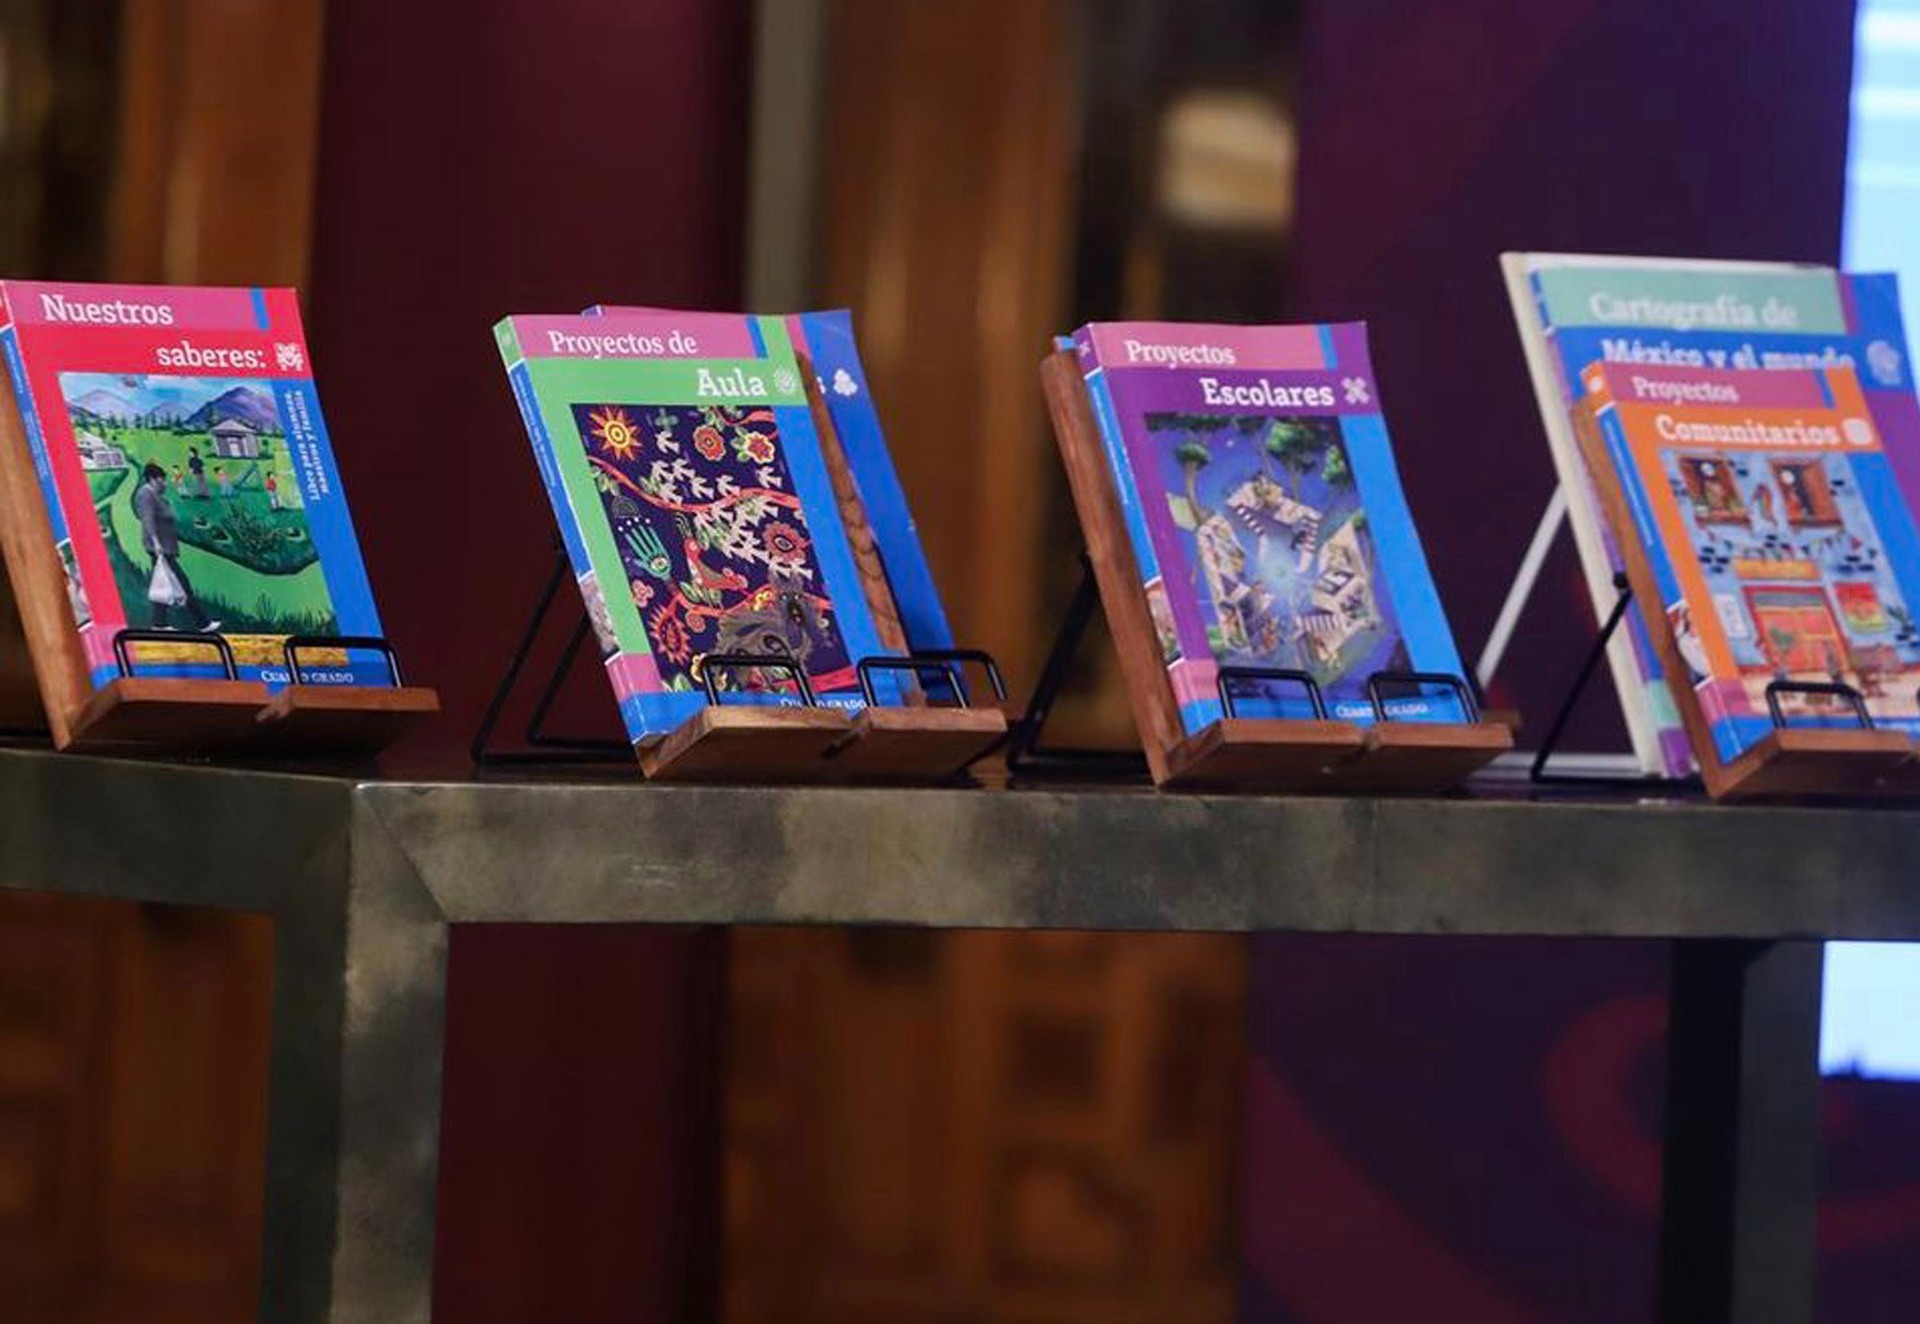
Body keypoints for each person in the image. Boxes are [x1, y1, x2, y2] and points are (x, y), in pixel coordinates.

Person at [132, 463, 218, 632]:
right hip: (160, 549)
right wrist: (156, 543)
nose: (164, 483)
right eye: (161, 480)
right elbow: (148, 520)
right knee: (181, 584)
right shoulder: (146, 495)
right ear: (152, 479)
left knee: (163, 583)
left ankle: (160, 623)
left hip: (165, 548)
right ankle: (202, 623)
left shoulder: (155, 495)